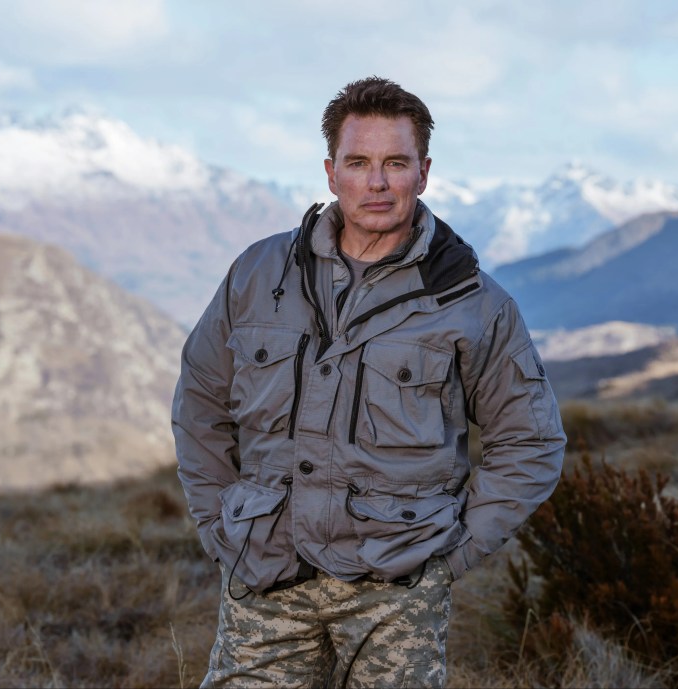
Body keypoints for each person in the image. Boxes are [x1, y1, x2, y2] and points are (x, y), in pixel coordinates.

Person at [172, 76, 566, 688]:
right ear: (331, 173)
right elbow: (200, 401)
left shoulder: (471, 302)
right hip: (266, 572)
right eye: (358, 163)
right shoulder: (257, 274)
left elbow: (531, 441)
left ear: (424, 171)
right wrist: (221, 523)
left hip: (396, 590)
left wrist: (449, 556)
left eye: (394, 163)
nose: (376, 183)